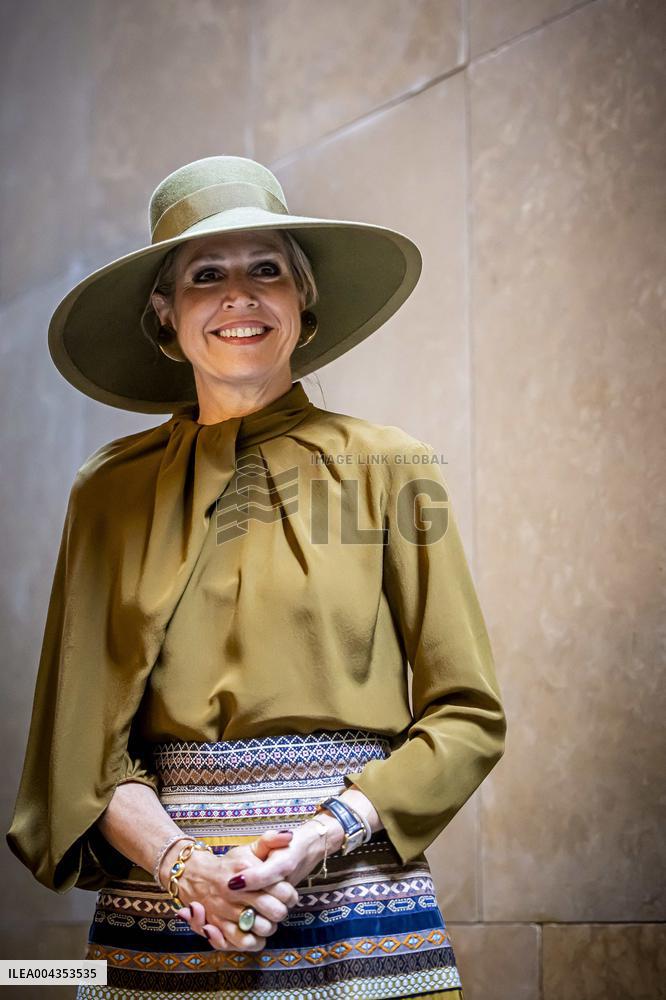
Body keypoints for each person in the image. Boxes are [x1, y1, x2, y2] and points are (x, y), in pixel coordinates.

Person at [6, 155, 507, 999]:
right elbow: (77, 757)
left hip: (355, 905)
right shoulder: (108, 495)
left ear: (302, 302)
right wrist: (185, 868)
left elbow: (469, 715)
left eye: (266, 268)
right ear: (165, 315)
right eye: (207, 275)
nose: (240, 295)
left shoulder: (392, 466)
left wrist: (320, 834)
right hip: (166, 917)